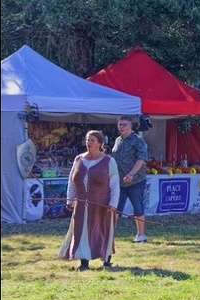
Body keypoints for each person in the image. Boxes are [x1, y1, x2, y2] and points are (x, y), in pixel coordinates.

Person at [59, 130, 119, 271]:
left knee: (102, 231)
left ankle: (106, 259)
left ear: (99, 143)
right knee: (81, 231)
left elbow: (115, 184)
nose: (89, 143)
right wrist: (69, 200)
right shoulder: (79, 159)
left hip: (102, 205)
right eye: (87, 140)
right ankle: (84, 262)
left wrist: (113, 203)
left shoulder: (109, 161)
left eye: (92, 140)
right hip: (81, 205)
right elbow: (72, 181)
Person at [112, 115, 148, 243]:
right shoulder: (118, 140)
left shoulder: (138, 140)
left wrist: (132, 173)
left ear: (131, 125)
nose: (122, 127)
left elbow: (141, 159)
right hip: (120, 182)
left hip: (136, 181)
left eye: (124, 124)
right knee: (115, 208)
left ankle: (140, 235)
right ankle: (110, 234)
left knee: (137, 207)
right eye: (120, 124)